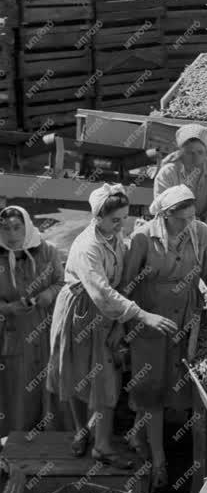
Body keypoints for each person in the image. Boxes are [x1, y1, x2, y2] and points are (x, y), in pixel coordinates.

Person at [122, 185, 207, 489]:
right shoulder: (144, 237)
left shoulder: (201, 232)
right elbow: (127, 283)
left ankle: (138, 435)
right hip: (150, 319)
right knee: (149, 388)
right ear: (166, 216)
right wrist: (126, 323)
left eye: (191, 217)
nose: (187, 224)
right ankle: (158, 462)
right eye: (181, 220)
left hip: (184, 318)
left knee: (172, 385)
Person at [48, 184, 175, 466]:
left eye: (124, 218)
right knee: (76, 372)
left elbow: (121, 267)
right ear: (97, 218)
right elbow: (102, 292)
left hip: (106, 311)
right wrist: (142, 315)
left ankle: (102, 445)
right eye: (115, 219)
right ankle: (82, 431)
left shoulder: (114, 236)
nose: (121, 225)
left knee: (106, 375)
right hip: (81, 308)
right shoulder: (87, 246)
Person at [0, 206, 64, 438]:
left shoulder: (48, 251)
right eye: (5, 228)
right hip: (12, 332)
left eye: (17, 227)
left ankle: (49, 436)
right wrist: (8, 308)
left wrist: (49, 294)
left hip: (45, 327)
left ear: (26, 226)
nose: (11, 234)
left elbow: (62, 282)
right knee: (16, 389)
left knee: (47, 383)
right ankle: (14, 438)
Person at [154, 124, 207, 225]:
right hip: (176, 227)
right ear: (180, 152)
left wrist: (204, 227)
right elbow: (162, 208)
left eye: (200, 152)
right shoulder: (168, 173)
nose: (195, 157)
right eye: (190, 152)